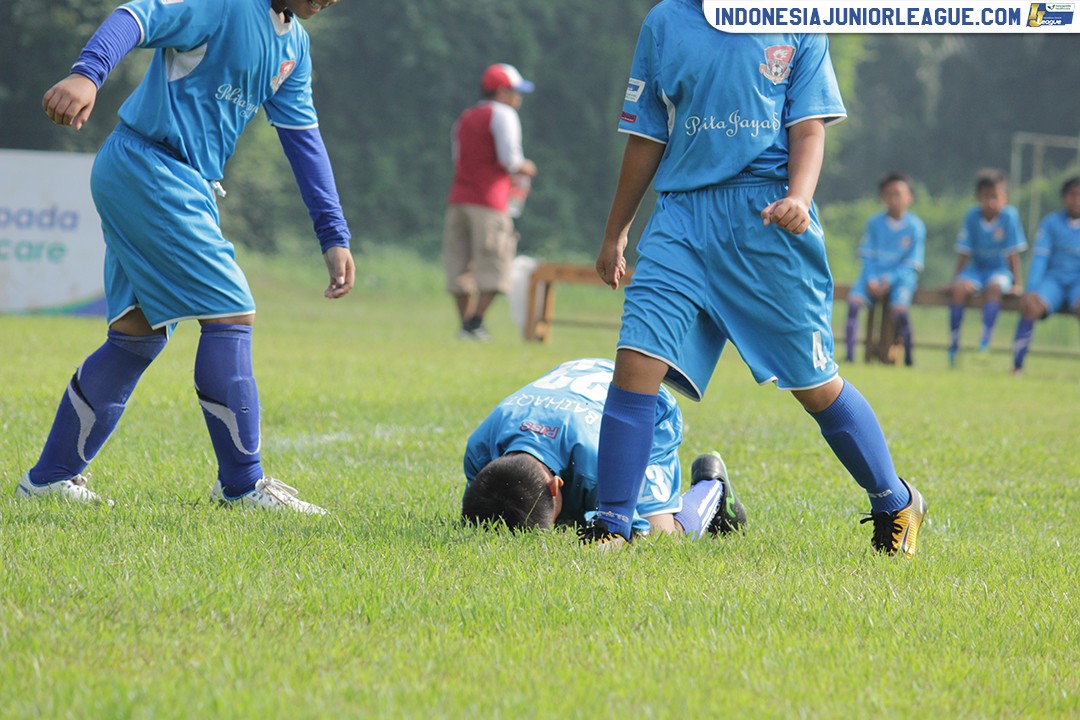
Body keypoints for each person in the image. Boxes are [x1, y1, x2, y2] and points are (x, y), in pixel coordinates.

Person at [590, 0, 927, 557]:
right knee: (636, 361)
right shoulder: (665, 21)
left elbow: (809, 127)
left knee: (814, 385)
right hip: (680, 218)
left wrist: (799, 195)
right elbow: (647, 134)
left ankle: (896, 501)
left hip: (765, 220)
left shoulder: (795, 20)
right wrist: (616, 231)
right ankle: (610, 527)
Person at [16, 0, 354, 512]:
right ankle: (242, 487)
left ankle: (49, 479)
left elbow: (303, 140)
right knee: (232, 310)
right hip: (151, 166)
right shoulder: (224, 6)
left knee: (138, 335)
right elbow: (137, 16)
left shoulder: (295, 46)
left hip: (174, 179)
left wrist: (334, 234)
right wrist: (87, 74)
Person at [461, 358, 746, 540]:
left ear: (554, 486)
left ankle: (713, 488)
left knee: (661, 537)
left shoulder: (600, 464)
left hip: (644, 405)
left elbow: (624, 530)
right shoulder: (480, 447)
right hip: (581, 371)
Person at [443, 63, 538, 341]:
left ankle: (467, 326)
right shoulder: (504, 114)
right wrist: (528, 167)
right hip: (490, 201)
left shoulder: (465, 117)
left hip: (458, 198)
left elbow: (457, 158)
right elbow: (511, 160)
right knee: (496, 264)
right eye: (514, 91)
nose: (518, 98)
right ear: (501, 91)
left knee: (459, 266)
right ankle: (476, 321)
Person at [947, 169, 1027, 367]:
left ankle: (984, 343)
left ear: (1004, 198)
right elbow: (964, 251)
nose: (991, 202)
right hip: (977, 270)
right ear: (978, 197)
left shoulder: (1009, 216)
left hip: (1000, 271)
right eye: (986, 197)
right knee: (959, 289)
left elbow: (1012, 254)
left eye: (996, 197)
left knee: (994, 287)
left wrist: (1017, 283)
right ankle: (953, 345)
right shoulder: (972, 216)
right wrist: (955, 279)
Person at [844, 172, 926, 367]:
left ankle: (907, 356)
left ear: (909, 198)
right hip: (872, 275)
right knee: (854, 304)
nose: (894, 199)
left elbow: (912, 263)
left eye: (898, 194)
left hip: (901, 278)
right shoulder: (874, 223)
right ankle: (849, 356)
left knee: (899, 310)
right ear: (882, 197)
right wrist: (872, 278)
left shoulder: (915, 226)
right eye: (889, 194)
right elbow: (867, 255)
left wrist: (890, 279)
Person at [1010, 176, 1080, 374]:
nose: (1077, 200)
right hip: (1054, 281)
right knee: (1030, 305)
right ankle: (1017, 366)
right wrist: (1032, 289)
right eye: (1072, 195)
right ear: (1063, 198)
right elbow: (1040, 257)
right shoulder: (1051, 223)